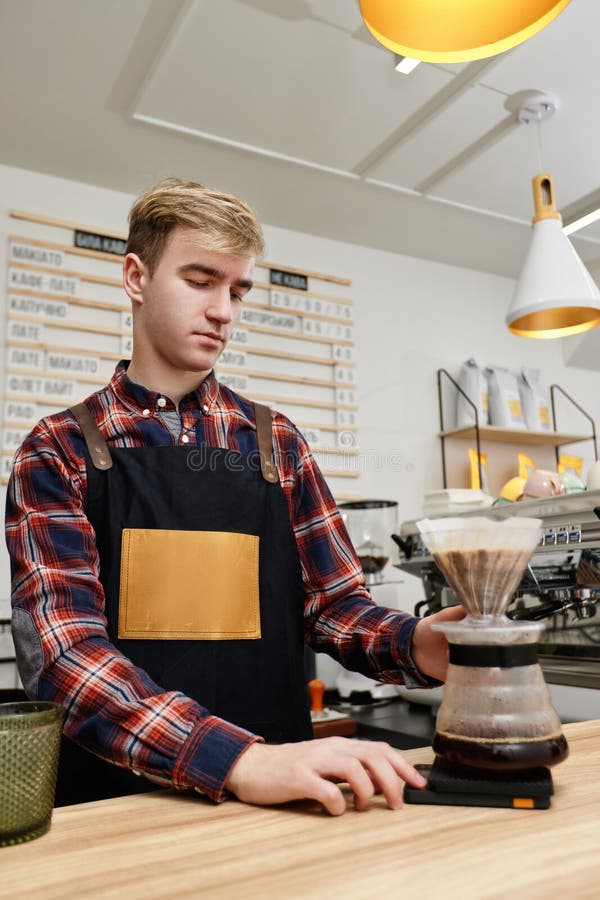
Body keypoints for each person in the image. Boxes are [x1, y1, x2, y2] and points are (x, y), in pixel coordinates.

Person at [6, 178, 464, 816]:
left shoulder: (277, 443)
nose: (225, 311)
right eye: (200, 280)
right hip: (122, 810)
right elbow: (64, 657)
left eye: (238, 289)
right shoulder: (58, 450)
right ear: (136, 277)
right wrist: (241, 759)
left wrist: (417, 645)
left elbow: (335, 608)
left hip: (287, 804)